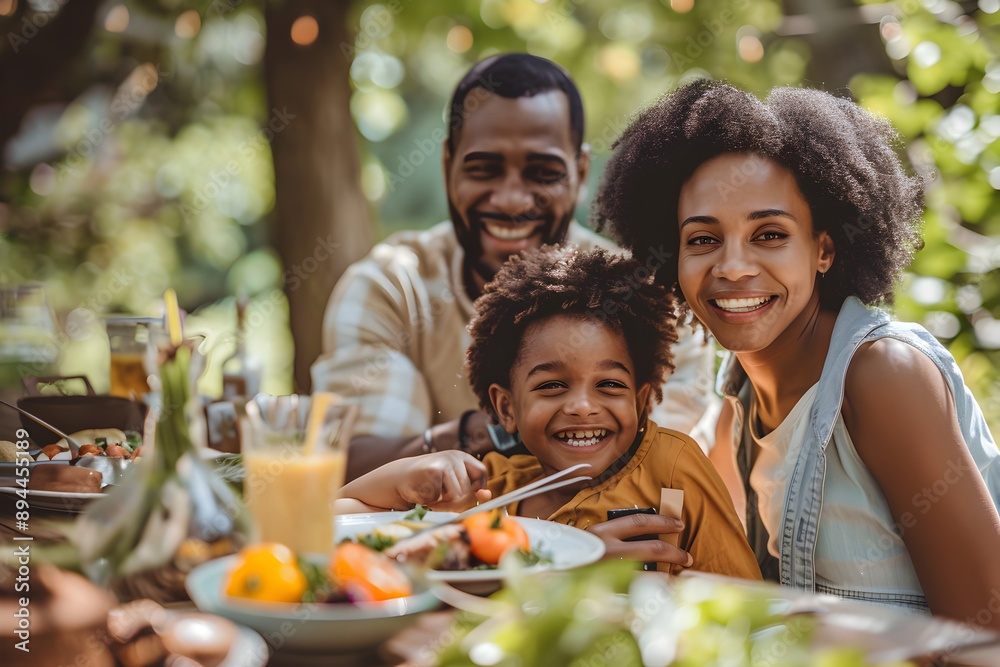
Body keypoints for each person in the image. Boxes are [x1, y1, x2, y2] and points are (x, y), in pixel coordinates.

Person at [592, 79, 1000, 625]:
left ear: (823, 249)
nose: (732, 267)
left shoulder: (883, 376)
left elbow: (985, 638)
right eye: (703, 239)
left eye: (769, 235)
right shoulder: (735, 413)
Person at [311, 53, 719, 481]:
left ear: (580, 174)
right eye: (484, 169)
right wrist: (491, 434)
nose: (510, 200)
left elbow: (664, 476)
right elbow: (351, 465)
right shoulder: (392, 287)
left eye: (542, 172)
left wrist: (477, 441)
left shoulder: (650, 304)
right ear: (448, 165)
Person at [338, 245, 762, 579]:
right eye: (552, 386)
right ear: (506, 408)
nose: (581, 406)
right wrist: (406, 475)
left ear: (641, 399)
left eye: (610, 385)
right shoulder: (489, 495)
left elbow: (750, 605)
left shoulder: (674, 470)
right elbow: (336, 521)